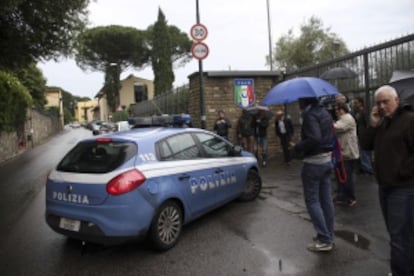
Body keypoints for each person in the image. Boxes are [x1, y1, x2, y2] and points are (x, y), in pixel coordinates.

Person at [361, 85, 414, 275]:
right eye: (378, 103)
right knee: (397, 234)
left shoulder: (409, 120)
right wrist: (373, 125)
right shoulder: (382, 123)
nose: (382, 106)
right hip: (385, 187)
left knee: (399, 237)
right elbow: (365, 145)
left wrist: (401, 172)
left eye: (386, 102)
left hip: (404, 188)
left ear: (397, 101)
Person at [292, 97, 335, 252]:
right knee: (326, 200)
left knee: (312, 201)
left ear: (305, 101)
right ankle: (329, 235)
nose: (298, 104)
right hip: (326, 160)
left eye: (299, 101)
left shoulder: (310, 115)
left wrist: (298, 146)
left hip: (313, 162)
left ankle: (324, 239)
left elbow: (315, 138)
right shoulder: (325, 112)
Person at [333, 103, 359, 206]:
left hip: (348, 153)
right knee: (341, 176)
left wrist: (327, 122)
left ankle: (350, 197)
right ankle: (342, 196)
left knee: (347, 177)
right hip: (343, 153)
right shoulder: (342, 119)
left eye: (337, 109)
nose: (336, 111)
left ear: (342, 110)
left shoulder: (347, 118)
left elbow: (338, 128)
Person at [352, 97, 374, 175]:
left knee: (365, 153)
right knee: (361, 152)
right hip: (358, 134)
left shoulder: (364, 112)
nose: (355, 104)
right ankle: (363, 168)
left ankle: (368, 169)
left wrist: (367, 133)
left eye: (356, 102)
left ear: (361, 103)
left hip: (363, 134)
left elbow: (367, 123)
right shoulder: (356, 112)